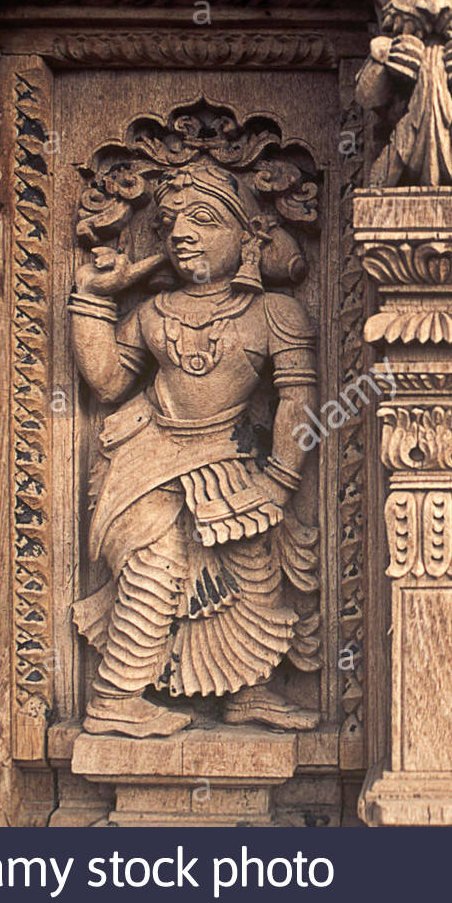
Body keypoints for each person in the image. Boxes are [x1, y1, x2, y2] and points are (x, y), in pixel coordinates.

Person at [68, 162, 320, 737]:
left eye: (203, 219)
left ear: (247, 237)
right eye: (170, 223)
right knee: (153, 567)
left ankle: (248, 691)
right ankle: (114, 697)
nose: (182, 233)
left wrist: (280, 479)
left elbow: (299, 399)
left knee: (252, 573)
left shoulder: (274, 312)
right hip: (147, 452)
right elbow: (107, 383)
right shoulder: (154, 313)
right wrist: (92, 298)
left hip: (229, 458)